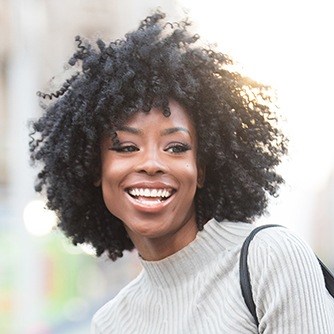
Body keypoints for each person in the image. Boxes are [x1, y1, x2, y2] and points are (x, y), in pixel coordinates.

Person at [29, 11, 334, 334]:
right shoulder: (110, 323)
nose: (151, 163)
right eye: (126, 147)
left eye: (175, 147)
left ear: (201, 169)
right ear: (94, 167)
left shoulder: (270, 258)